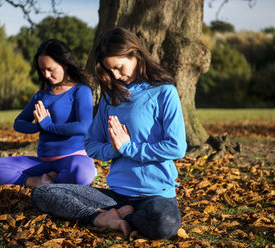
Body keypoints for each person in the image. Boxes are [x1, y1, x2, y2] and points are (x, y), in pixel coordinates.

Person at [30, 28, 187, 239]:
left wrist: (128, 148)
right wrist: (114, 149)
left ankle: (128, 217)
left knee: (164, 225)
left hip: (155, 195)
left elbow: (176, 146)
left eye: (118, 67)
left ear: (136, 55)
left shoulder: (164, 92)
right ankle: (102, 218)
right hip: (116, 195)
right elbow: (91, 143)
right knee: (42, 193)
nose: (114, 75)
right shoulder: (110, 97)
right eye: (109, 69)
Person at [0, 39, 96, 187]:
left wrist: (49, 126)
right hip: (42, 163)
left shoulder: (81, 90)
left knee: (83, 174)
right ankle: (38, 181)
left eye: (50, 69)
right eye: (42, 70)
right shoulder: (41, 94)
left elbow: (84, 127)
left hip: (72, 159)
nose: (46, 75)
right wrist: (38, 127)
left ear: (65, 64)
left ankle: (54, 179)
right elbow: (18, 123)